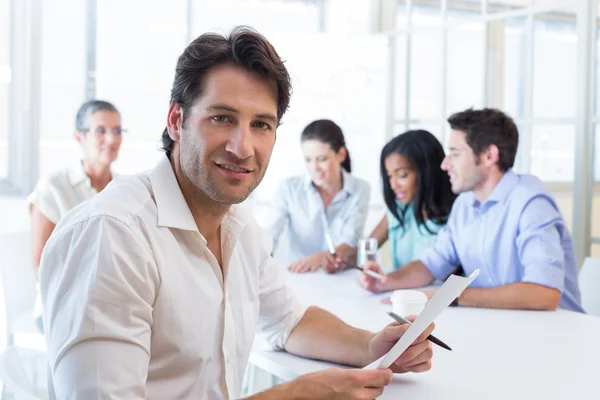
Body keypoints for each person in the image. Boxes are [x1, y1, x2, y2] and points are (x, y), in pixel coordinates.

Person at [39, 27, 434, 399]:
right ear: (177, 120)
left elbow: (289, 322)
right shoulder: (113, 234)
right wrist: (294, 394)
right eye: (222, 118)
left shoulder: (239, 226)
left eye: (261, 124)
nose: (242, 147)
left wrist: (371, 345)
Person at [359, 108, 584, 313]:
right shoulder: (464, 204)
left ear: (489, 156)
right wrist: (386, 281)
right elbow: (432, 264)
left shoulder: (530, 202)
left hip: (555, 334)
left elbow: (544, 294)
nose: (445, 164)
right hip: (503, 327)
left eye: (455, 153)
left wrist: (453, 296)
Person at [28, 99, 123, 331]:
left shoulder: (124, 189)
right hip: (63, 307)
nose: (111, 139)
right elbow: (42, 267)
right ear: (79, 137)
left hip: (113, 305)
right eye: (100, 131)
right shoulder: (54, 186)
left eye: (117, 131)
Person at [268, 119, 370, 273]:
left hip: (341, 277)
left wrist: (322, 257)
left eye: (321, 159)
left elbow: (351, 240)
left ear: (341, 154)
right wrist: (259, 265)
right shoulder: (289, 189)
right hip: (298, 275)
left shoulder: (360, 189)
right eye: (308, 159)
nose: (314, 168)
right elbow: (271, 235)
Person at [358, 130, 455, 271]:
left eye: (402, 175)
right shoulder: (399, 209)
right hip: (401, 291)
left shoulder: (456, 216)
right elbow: (366, 247)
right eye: (389, 176)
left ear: (427, 172)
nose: (393, 185)